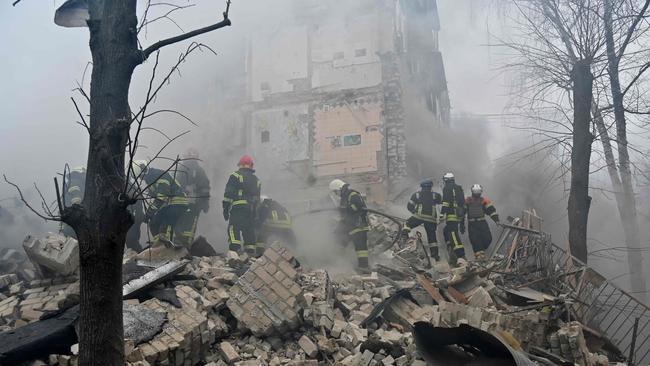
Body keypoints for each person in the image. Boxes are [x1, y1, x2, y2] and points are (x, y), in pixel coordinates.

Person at [132, 160, 193, 247]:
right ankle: (159, 245)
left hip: (177, 203)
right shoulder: (151, 178)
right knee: (154, 223)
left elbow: (161, 198)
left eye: (140, 176)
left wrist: (149, 213)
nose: (141, 179)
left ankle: (168, 248)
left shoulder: (158, 175)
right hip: (168, 204)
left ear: (143, 172)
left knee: (166, 224)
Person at [222, 155, 261, 255]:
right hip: (251, 209)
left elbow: (228, 194)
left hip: (238, 208)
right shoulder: (257, 180)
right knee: (248, 230)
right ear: (251, 166)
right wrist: (255, 214)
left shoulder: (235, 175)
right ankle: (250, 252)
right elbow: (257, 200)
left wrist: (225, 209)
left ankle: (235, 251)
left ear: (240, 165)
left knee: (233, 228)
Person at [329, 179, 370, 270]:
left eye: (336, 192)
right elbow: (344, 215)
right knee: (339, 242)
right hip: (350, 227)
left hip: (359, 226)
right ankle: (339, 265)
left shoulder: (353, 194)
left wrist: (345, 208)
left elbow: (360, 207)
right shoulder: (344, 198)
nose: (336, 194)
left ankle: (364, 268)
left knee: (361, 250)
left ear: (340, 188)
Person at [177, 148, 211, 247]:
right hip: (194, 203)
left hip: (180, 203)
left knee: (180, 223)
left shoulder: (180, 169)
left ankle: (178, 243)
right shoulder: (199, 170)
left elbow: (175, 184)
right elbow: (205, 188)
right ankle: (186, 244)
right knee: (190, 225)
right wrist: (205, 203)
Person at [402, 179, 442, 260]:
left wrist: (414, 212)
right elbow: (442, 204)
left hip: (419, 217)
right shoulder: (436, 195)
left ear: (421, 187)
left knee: (406, 224)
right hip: (431, 219)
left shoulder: (416, 195)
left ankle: (404, 240)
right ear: (431, 187)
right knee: (432, 238)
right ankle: (435, 255)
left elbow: (409, 206)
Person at [464, 184, 500, 259]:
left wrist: (496, 220)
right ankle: (479, 257)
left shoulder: (484, 201)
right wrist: (461, 224)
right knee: (475, 240)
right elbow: (462, 211)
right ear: (472, 191)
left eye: (478, 191)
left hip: (482, 223)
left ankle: (481, 251)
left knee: (488, 238)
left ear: (481, 192)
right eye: (475, 191)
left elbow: (491, 211)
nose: (477, 193)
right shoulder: (467, 200)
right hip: (472, 224)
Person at [441, 172, 466, 262]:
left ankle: (460, 255)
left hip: (451, 215)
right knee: (446, 230)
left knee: (452, 234)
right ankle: (451, 249)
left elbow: (445, 202)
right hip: (460, 214)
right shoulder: (459, 188)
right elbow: (463, 204)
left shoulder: (447, 188)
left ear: (446, 180)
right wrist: (462, 223)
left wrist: (441, 213)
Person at [61, 166, 86, 238]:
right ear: (80, 174)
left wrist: (62, 230)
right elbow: (77, 202)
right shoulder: (75, 183)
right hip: (75, 224)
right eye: (84, 174)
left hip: (69, 225)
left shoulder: (69, 184)